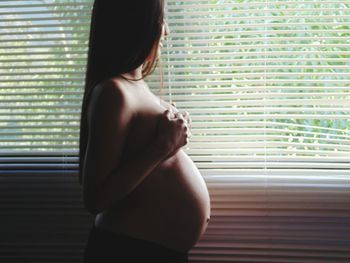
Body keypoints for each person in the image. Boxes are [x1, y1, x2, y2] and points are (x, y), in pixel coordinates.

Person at [79, 1, 211, 262]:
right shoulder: (112, 91)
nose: (166, 31)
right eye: (160, 20)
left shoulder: (136, 87)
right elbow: (95, 198)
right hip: (129, 251)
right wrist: (162, 146)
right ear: (137, 24)